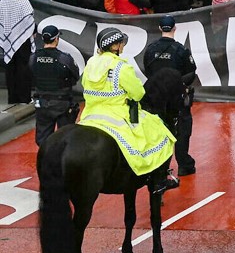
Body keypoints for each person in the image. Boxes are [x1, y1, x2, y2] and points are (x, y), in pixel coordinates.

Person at [78, 28, 179, 193]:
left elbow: (84, 85)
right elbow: (138, 94)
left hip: (90, 114)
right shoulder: (121, 67)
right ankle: (159, 180)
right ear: (114, 47)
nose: (123, 46)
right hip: (119, 114)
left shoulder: (91, 63)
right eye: (121, 43)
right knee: (160, 133)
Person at [142, 15, 198, 176]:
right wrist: (178, 84)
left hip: (155, 98)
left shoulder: (151, 49)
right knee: (182, 129)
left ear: (160, 28)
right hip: (176, 97)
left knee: (157, 130)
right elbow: (191, 73)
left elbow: (147, 70)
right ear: (174, 28)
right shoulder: (180, 50)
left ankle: (160, 166)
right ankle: (184, 164)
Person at [29, 25, 79, 146]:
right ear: (56, 39)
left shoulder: (33, 58)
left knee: (43, 140)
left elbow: (29, 76)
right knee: (65, 139)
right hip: (62, 103)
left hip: (42, 103)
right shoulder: (64, 59)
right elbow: (75, 76)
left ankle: (46, 157)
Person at [0, 0, 35, 104]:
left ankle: (12, 97)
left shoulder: (3, 2)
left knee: (10, 69)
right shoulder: (23, 0)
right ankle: (24, 98)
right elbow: (29, 19)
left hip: (8, 39)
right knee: (23, 68)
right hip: (23, 39)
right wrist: (31, 31)